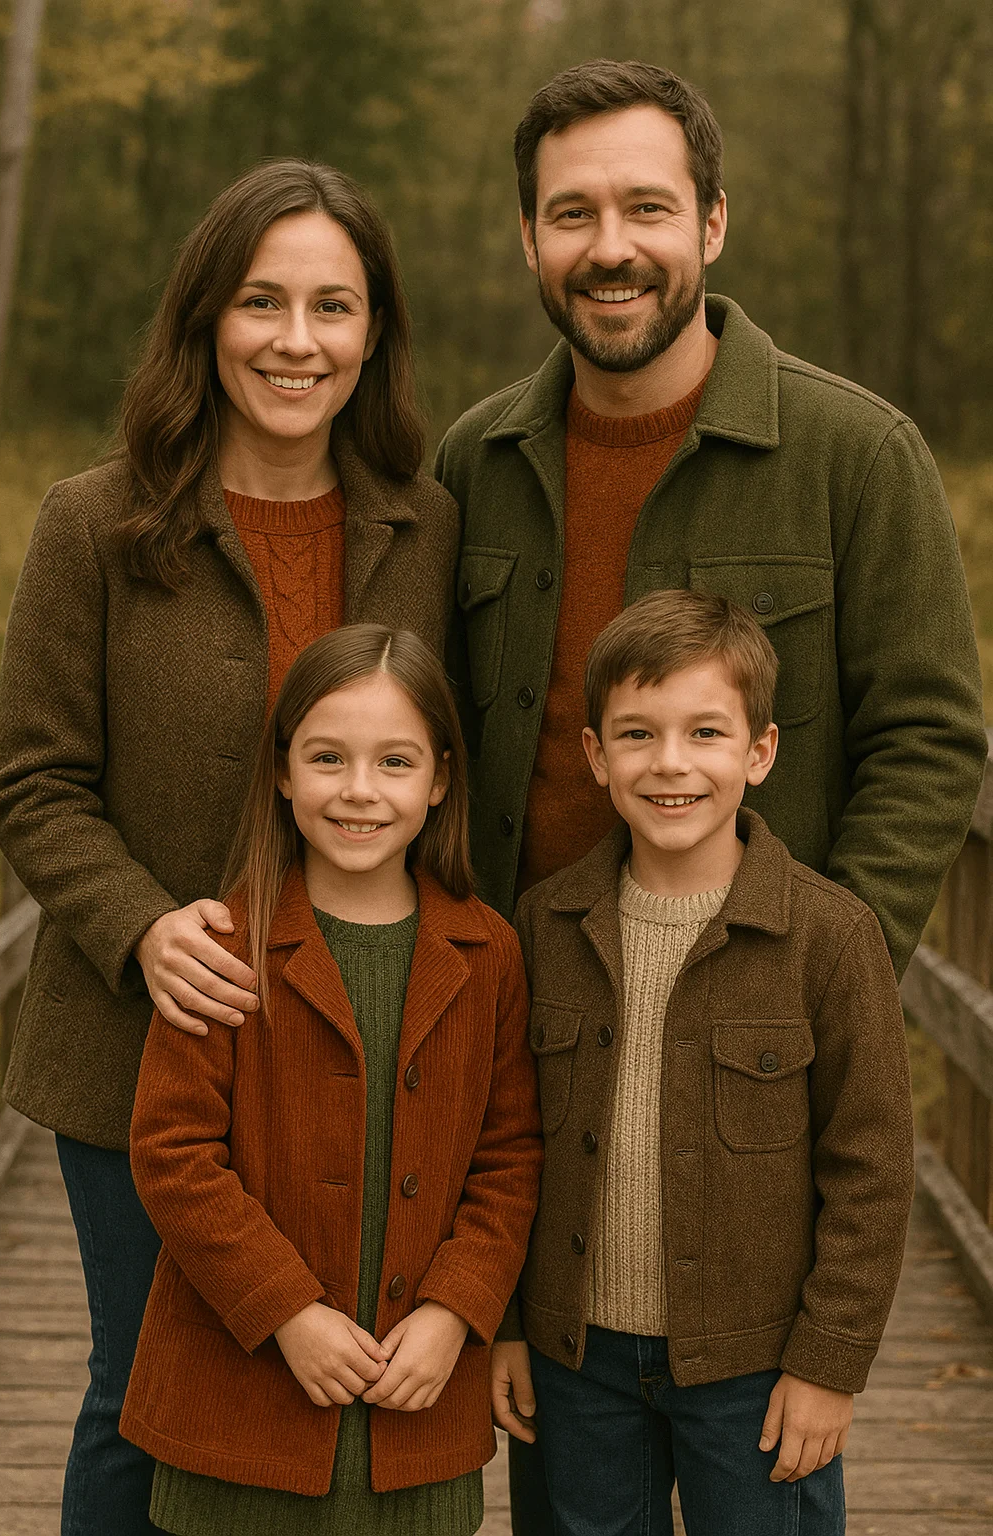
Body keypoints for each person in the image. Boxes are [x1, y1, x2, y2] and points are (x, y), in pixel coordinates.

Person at [434, 63, 985, 1527]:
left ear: (715, 225)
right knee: (574, 1479)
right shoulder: (473, 463)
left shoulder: (854, 454)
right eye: (572, 212)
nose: (608, 243)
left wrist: (815, 957)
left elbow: (934, 735)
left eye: (646, 206)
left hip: (759, 1067)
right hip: (531, 1049)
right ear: (530, 241)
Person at [0, 161, 460, 1536]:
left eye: (332, 305)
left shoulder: (427, 527)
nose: (295, 340)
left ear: (375, 334)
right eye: (261, 301)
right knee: (143, 1400)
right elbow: (33, 781)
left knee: (332, 1406)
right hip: (149, 1044)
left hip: (363, 1052)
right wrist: (138, 924)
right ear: (205, 318)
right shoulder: (98, 525)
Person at [492, 588, 914, 1536]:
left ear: (758, 752)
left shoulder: (830, 937)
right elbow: (505, 1144)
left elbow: (872, 1172)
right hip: (575, 1360)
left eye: (706, 733)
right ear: (596, 756)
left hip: (759, 1373)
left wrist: (828, 1365)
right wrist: (507, 1325)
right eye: (637, 735)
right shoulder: (544, 928)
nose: (670, 764)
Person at [118, 624, 542, 1536]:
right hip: (239, 1410)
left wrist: (457, 1311)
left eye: (394, 761)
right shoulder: (223, 946)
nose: (359, 789)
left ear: (439, 781)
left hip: (415, 1416)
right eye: (327, 757)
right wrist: (287, 1313)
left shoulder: (489, 951)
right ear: (282, 773)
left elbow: (510, 1156)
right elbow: (172, 1153)